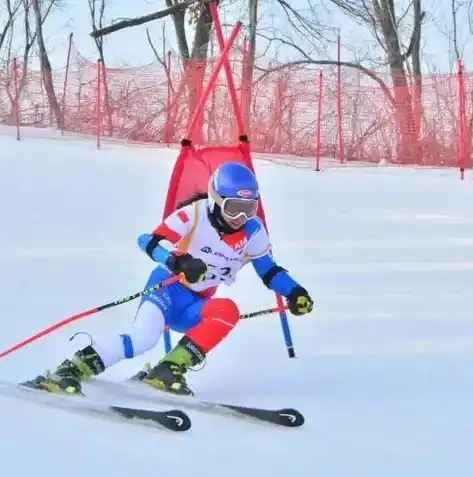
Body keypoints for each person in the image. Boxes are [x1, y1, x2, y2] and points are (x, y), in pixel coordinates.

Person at [23, 162, 314, 396]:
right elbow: (148, 241)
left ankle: (169, 369)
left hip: (196, 304)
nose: (240, 216)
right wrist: (178, 261)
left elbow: (268, 270)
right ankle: (71, 368)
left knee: (228, 311)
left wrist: (294, 291)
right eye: (233, 208)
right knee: (143, 339)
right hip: (166, 289)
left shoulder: (253, 230)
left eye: (248, 208)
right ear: (216, 200)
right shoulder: (195, 214)